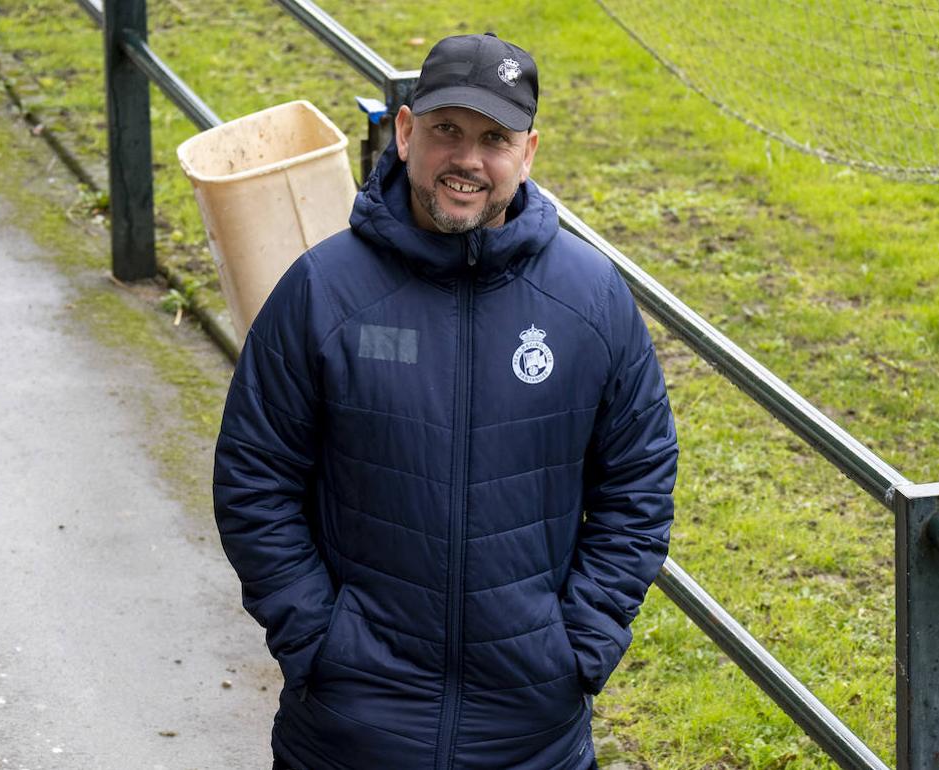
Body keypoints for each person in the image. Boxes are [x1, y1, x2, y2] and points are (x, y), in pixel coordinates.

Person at [212, 32, 679, 769]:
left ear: (528, 153)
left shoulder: (591, 301)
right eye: (446, 130)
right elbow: (253, 478)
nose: (468, 159)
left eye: (495, 137)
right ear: (405, 133)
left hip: (530, 736)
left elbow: (639, 480)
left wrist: (578, 646)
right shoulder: (322, 292)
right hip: (349, 731)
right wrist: (319, 641)